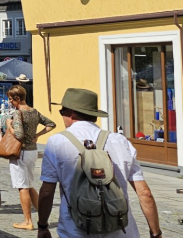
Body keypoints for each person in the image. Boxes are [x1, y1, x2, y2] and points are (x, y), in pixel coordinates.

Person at [37, 88, 161, 238]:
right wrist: (156, 233)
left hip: (76, 231)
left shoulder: (57, 142)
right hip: (122, 230)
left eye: (62, 112)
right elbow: (144, 193)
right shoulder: (119, 141)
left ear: (71, 113)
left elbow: (46, 192)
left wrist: (43, 226)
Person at [6, 84, 55, 231]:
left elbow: (19, 134)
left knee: (22, 186)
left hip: (20, 152)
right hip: (32, 152)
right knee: (29, 184)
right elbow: (51, 124)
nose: (9, 102)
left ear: (17, 98)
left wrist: (9, 125)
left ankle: (27, 221)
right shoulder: (34, 112)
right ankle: (42, 217)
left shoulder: (17, 114)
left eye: (10, 99)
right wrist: (37, 136)